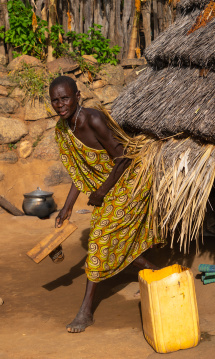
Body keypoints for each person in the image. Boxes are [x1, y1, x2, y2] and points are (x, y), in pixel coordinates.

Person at [49, 75, 165, 333]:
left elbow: (123, 158)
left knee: (99, 238)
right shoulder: (63, 129)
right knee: (113, 239)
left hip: (129, 182)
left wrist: (102, 191)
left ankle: (86, 311)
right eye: (55, 100)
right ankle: (157, 273)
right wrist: (67, 207)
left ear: (77, 96)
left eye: (65, 98)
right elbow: (79, 172)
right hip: (108, 188)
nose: (60, 104)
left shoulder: (93, 119)